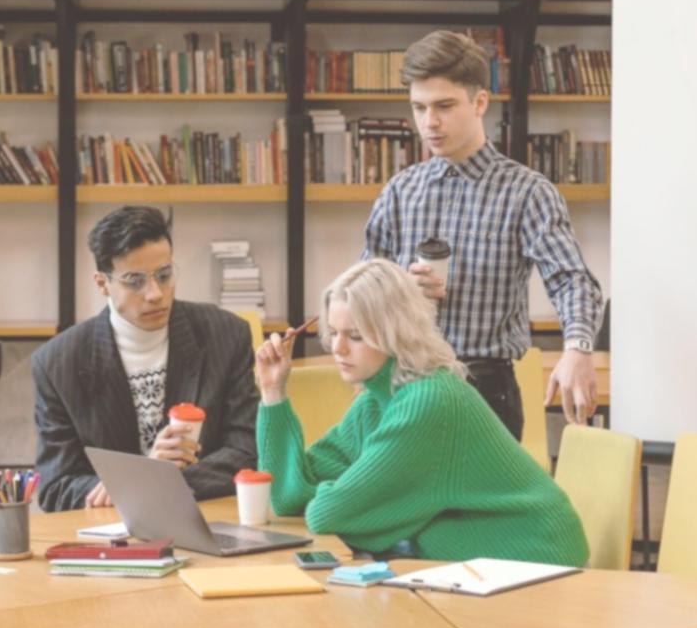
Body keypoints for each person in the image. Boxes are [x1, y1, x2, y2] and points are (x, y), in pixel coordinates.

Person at [255, 258, 588, 565]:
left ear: (394, 333)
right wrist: (273, 392)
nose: (338, 348)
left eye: (355, 336)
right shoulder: (376, 399)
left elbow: (326, 513)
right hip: (475, 564)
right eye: (334, 333)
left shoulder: (426, 402)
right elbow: (287, 495)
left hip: (535, 558)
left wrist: (352, 496)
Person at [363, 30, 604, 440]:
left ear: (479, 103)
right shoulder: (400, 191)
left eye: (444, 106)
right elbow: (364, 291)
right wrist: (401, 289)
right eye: (418, 108)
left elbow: (572, 279)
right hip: (403, 384)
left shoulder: (527, 191)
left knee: (481, 508)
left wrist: (577, 349)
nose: (429, 122)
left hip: (485, 390)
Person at [32, 206, 259, 512]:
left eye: (164, 275)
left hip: (206, 513)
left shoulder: (227, 335)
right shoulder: (58, 364)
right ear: (102, 283)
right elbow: (56, 487)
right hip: (112, 531)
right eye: (135, 281)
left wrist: (152, 484)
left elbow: (247, 452)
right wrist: (138, 481)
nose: (155, 294)